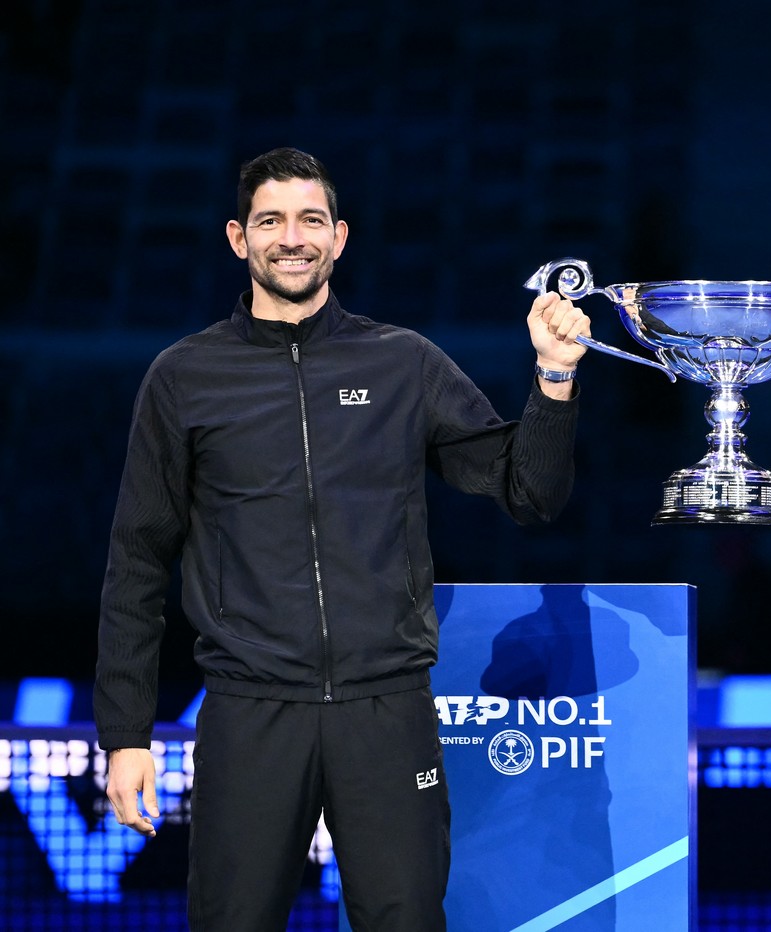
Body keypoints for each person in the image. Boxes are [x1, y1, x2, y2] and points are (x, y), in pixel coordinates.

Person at [94, 147, 590, 931]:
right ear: (237, 238)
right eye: (271, 221)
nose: (291, 237)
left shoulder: (403, 363)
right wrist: (125, 736)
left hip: (386, 711)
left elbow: (529, 494)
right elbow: (138, 561)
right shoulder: (183, 377)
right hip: (250, 711)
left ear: (340, 236)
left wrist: (554, 376)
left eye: (309, 220)